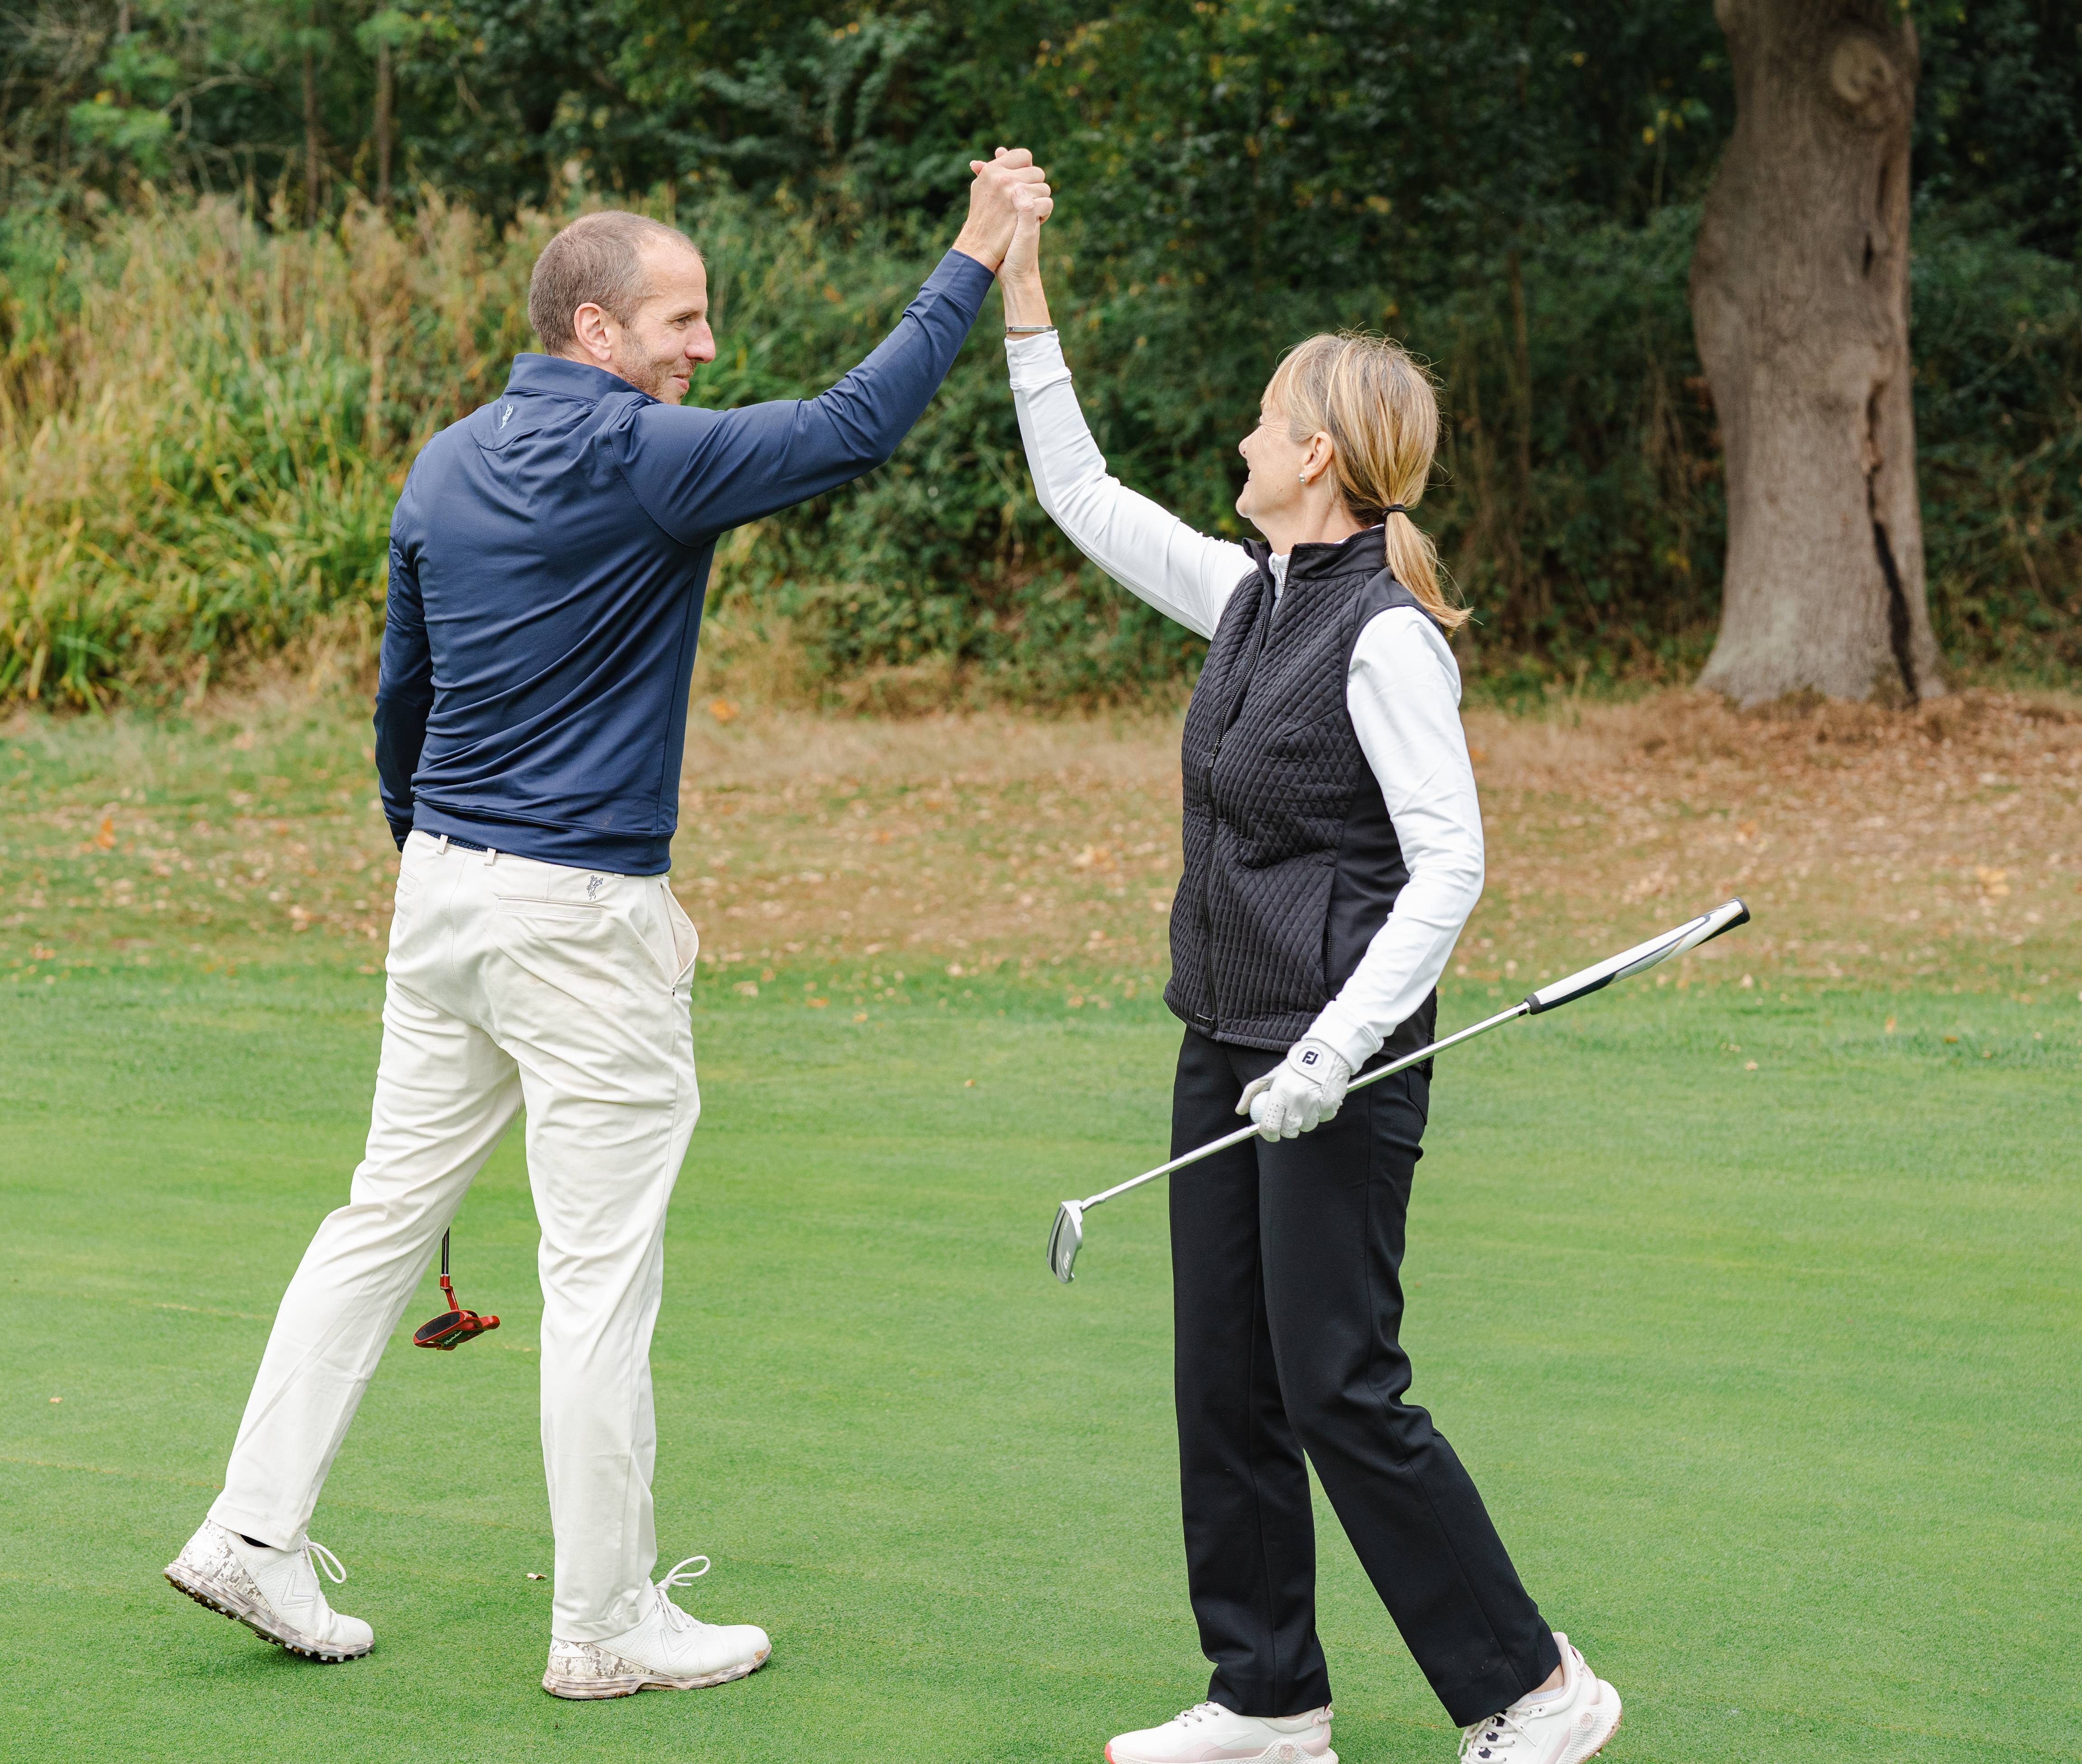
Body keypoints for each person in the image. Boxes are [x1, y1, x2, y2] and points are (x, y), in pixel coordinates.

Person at [164, 153, 1052, 1701]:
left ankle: (251, 1530)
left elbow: (400, 700)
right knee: (595, 1276)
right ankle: (602, 1625)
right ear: (595, 328)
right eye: (680, 320)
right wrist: (973, 251)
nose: (704, 346)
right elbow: (852, 429)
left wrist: (430, 858)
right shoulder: (641, 454)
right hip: (573, 915)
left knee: (382, 1218)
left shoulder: (446, 461)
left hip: (445, 892)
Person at [993, 187, 1622, 1764]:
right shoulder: (1246, 594)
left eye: (1265, 420)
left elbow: (1448, 865)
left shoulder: (1386, 638)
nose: (1242, 437)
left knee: (1338, 1384)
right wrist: (1022, 290)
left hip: (1341, 1061)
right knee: (1225, 1381)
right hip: (1224, 1041)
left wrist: (1337, 1050)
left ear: (1318, 456)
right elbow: (1076, 490)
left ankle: (1533, 1687)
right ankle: (1265, 1698)